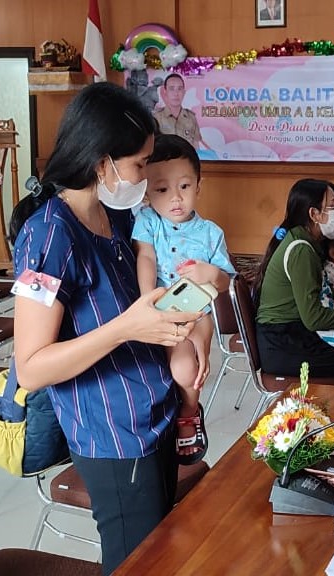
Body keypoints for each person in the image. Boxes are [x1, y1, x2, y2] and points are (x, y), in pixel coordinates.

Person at [7, 83, 201, 575]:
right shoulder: (49, 235)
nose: (146, 176)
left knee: (163, 551)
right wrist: (126, 327)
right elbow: (31, 368)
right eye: (140, 164)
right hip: (113, 435)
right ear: (101, 163)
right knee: (138, 562)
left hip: (155, 414)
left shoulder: (115, 217)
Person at [133, 133, 234, 463]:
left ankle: (190, 410)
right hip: (158, 309)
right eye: (162, 189)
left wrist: (211, 273)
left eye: (185, 186)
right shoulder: (147, 221)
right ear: (147, 192)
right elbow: (146, 256)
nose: (175, 198)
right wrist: (147, 299)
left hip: (194, 315)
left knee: (185, 369)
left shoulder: (211, 233)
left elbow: (226, 282)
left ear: (199, 186)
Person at [253, 178, 334, 383]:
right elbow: (314, 319)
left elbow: (325, 294)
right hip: (283, 343)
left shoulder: (305, 241)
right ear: (314, 214)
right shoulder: (301, 250)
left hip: (291, 335)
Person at [154, 73, 202, 149]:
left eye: (179, 89)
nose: (176, 94)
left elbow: (196, 146)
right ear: (165, 92)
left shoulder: (191, 118)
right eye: (171, 89)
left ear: (184, 92)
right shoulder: (156, 118)